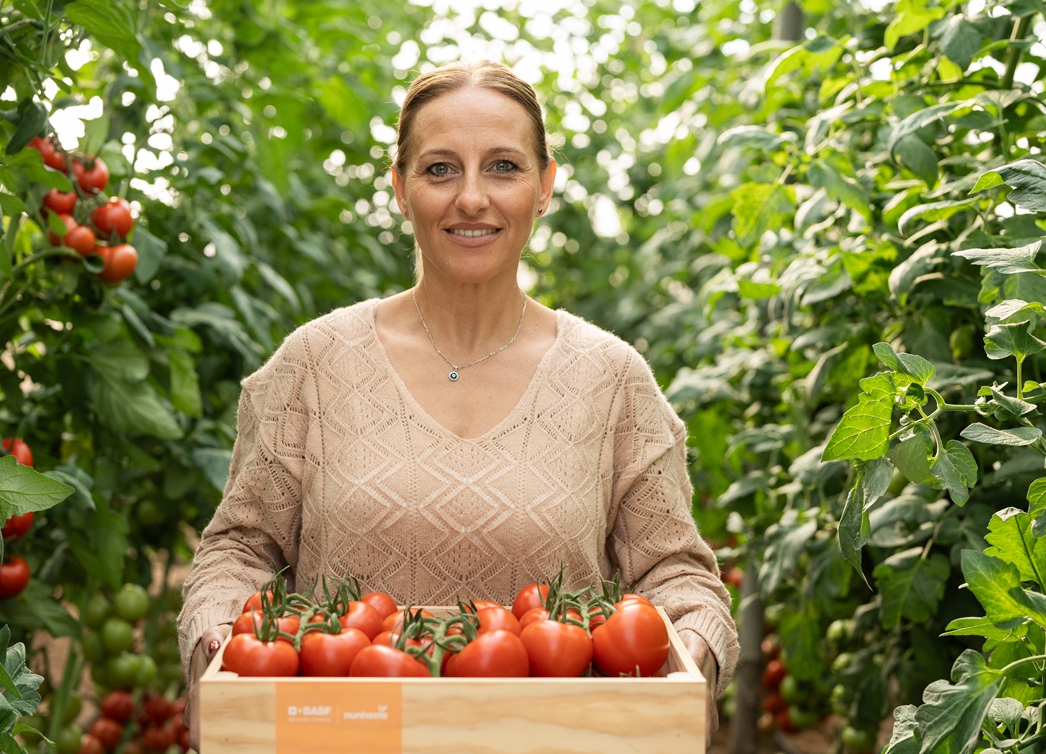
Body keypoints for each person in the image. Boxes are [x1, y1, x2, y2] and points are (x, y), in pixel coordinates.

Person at [177, 58, 738, 749]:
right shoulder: (314, 365)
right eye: (440, 169)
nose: (472, 197)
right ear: (400, 188)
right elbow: (239, 547)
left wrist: (691, 653)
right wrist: (215, 629)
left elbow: (677, 573)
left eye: (503, 166)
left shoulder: (611, 379)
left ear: (545, 186)